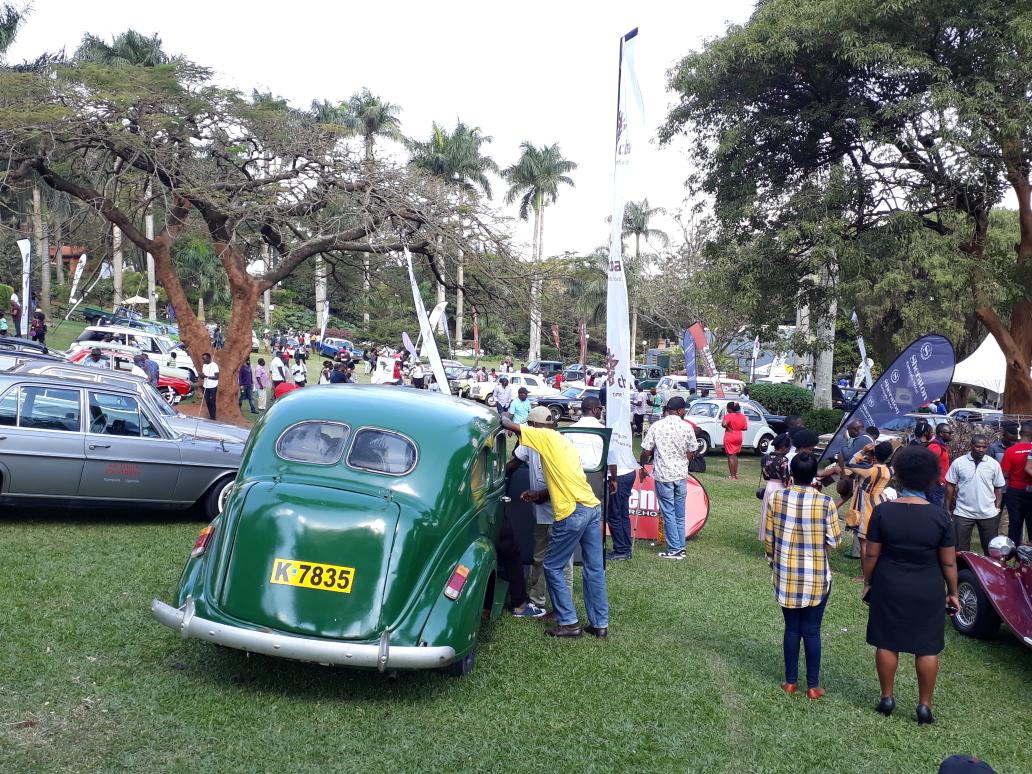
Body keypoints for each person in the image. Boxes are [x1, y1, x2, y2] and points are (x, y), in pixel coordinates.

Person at [863, 445, 959, 724]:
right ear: (931, 479)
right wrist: (952, 593)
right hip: (928, 586)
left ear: (899, 477)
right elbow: (949, 563)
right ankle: (924, 705)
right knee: (927, 647)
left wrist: (869, 582)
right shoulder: (941, 517)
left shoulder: (883, 513)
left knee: (886, 641)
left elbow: (871, 553)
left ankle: (887, 698)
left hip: (889, 582)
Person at [500, 407, 608, 639]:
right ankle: (599, 624)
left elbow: (507, 423)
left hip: (572, 511)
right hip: (591, 506)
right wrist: (540, 494)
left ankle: (569, 623)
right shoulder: (564, 441)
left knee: (552, 565)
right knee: (594, 568)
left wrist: (501, 415)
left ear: (535, 426)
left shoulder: (544, 436)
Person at [763, 452, 842, 699]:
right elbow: (836, 540)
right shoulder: (826, 502)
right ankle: (813, 686)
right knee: (811, 630)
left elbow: (769, 538)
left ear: (792, 474)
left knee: (791, 629)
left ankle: (790, 682)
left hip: (786, 573)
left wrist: (772, 561)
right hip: (816, 576)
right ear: (815, 474)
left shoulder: (777, 498)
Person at [506, 411, 573, 617]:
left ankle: (563, 607)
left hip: (561, 510)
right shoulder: (530, 443)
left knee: (562, 562)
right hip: (542, 511)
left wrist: (541, 494)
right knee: (539, 556)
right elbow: (514, 464)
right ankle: (537, 600)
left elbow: (565, 480)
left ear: (535, 424)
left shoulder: (561, 443)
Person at [573, 396, 637, 560]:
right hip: (618, 474)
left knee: (613, 515)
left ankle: (622, 549)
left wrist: (614, 479)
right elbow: (611, 458)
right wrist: (614, 478)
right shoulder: (603, 430)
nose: (601, 411)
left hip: (595, 476)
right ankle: (623, 547)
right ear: (594, 410)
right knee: (620, 513)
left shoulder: (572, 430)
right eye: (600, 409)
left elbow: (612, 458)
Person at [639, 396, 698, 559]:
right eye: (684, 409)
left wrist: (643, 466)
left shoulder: (657, 426)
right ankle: (680, 547)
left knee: (668, 513)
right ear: (679, 411)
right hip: (681, 475)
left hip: (664, 475)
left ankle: (674, 549)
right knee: (679, 514)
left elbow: (646, 451)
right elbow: (692, 452)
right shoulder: (687, 427)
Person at [945, 435, 1005, 553]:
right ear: (971, 446)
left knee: (991, 550)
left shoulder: (993, 464)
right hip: (963, 513)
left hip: (988, 513)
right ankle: (963, 571)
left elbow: (998, 487)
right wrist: (947, 506)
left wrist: (997, 507)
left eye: (984, 447)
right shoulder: (959, 463)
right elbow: (950, 485)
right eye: (978, 446)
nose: (981, 449)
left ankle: (988, 571)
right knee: (960, 550)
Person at [845, 440, 899, 559]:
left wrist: (863, 451)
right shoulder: (890, 471)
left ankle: (865, 576)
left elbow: (849, 463)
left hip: (865, 507)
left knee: (864, 543)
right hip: (880, 504)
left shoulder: (868, 470)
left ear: (874, 455)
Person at [1000, 421, 1032, 546]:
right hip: (1030, 490)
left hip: (1014, 491)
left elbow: (1005, 474)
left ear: (1020, 433)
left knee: (1014, 524)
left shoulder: (1010, 451)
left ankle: (1013, 554)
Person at [758, 433, 792, 540]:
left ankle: (766, 537)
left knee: (767, 513)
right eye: (788, 448)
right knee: (779, 515)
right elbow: (785, 479)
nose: (789, 450)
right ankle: (777, 538)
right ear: (783, 448)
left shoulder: (766, 458)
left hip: (769, 486)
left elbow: (765, 476)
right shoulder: (783, 460)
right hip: (780, 488)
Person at [926, 424, 953, 506]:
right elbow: (928, 464)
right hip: (935, 486)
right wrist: (939, 480)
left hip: (941, 485)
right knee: (935, 510)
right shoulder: (935, 447)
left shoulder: (942, 446)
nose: (951, 435)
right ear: (941, 434)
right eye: (949, 433)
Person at [721, 401, 749, 480]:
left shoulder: (728, 416)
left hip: (730, 435)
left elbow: (723, 424)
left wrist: (729, 428)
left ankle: (732, 476)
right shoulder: (742, 416)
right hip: (739, 436)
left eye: (727, 408)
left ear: (730, 409)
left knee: (730, 456)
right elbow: (745, 428)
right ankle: (735, 475)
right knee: (735, 455)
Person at [201, 353, 219, 420]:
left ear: (209, 358)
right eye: (202, 358)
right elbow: (203, 376)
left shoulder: (214, 365)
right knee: (207, 401)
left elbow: (217, 377)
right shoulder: (204, 365)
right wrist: (202, 376)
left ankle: (213, 417)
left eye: (204, 358)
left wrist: (207, 377)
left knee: (212, 401)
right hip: (205, 386)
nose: (203, 360)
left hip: (213, 386)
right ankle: (211, 415)